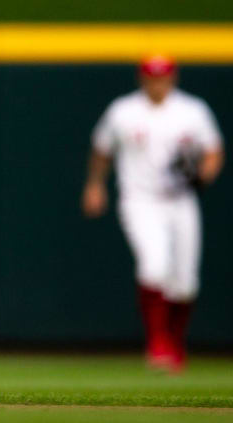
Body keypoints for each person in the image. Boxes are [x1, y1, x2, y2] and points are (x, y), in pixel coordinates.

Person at [82, 54, 224, 373]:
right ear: (141, 79)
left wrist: (204, 174)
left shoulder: (192, 110)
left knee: (186, 282)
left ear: (173, 78)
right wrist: (95, 185)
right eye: (152, 77)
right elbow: (102, 149)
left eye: (163, 77)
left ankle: (175, 343)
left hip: (181, 200)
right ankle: (157, 344)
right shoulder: (123, 111)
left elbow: (213, 151)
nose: (157, 83)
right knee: (154, 265)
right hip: (139, 199)